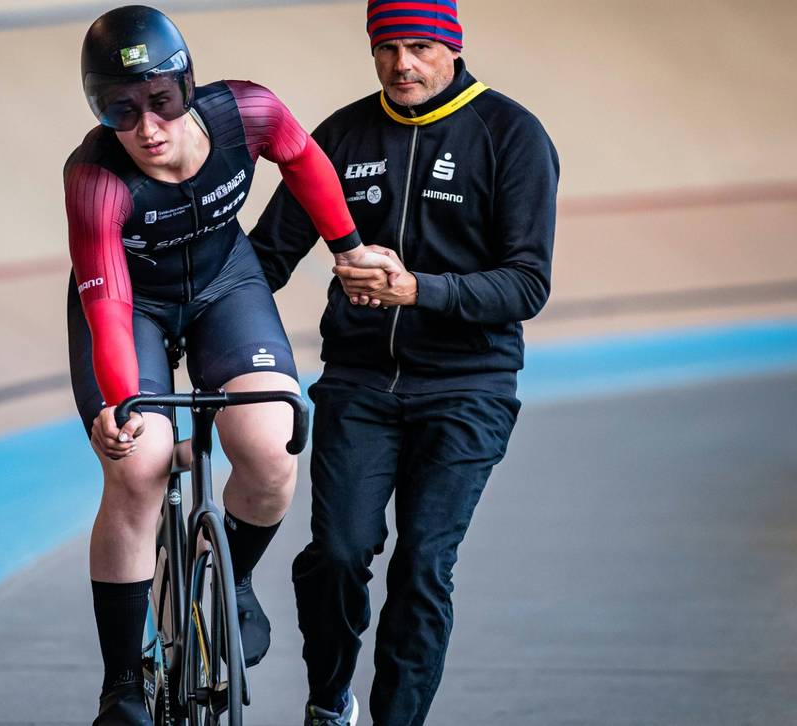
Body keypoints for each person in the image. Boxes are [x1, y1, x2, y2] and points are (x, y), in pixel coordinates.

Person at [63, 6, 396, 724]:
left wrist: (348, 247)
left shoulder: (248, 112)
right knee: (139, 465)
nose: (147, 127)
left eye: (161, 100)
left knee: (272, 453)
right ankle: (122, 684)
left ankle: (232, 580)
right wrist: (121, 401)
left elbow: (304, 162)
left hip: (224, 284)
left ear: (187, 86)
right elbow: (108, 305)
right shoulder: (96, 179)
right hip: (130, 304)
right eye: (121, 111)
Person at [248, 1, 560, 724]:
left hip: (467, 387)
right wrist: (195, 320)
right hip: (359, 382)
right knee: (338, 553)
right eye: (387, 47)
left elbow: (526, 284)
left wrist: (418, 290)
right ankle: (330, 700)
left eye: (420, 46)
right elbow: (266, 257)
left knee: (422, 566)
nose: (402, 64)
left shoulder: (511, 135)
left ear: (453, 47)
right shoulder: (341, 135)